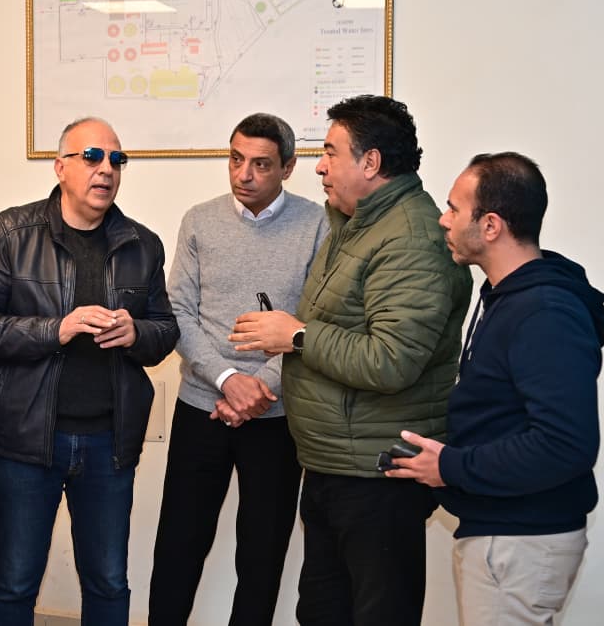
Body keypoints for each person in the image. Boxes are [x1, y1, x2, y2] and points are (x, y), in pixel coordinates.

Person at [228, 95, 472, 626]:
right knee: (322, 610)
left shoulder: (409, 239)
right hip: (337, 465)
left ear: (371, 162)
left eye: (330, 152)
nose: (319, 167)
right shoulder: (357, 222)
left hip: (377, 474)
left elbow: (391, 360)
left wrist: (296, 336)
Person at [0, 117, 179, 625]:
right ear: (60, 167)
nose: (107, 169)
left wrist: (137, 333)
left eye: (117, 160)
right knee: (14, 583)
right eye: (92, 157)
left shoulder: (142, 244)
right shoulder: (11, 233)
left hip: (109, 443)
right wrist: (56, 329)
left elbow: (166, 330)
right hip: (26, 442)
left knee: (109, 582)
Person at [387, 152, 603, 625]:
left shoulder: (544, 312)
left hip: (520, 541)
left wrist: (451, 466)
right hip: (506, 534)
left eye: (453, 209)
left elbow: (566, 444)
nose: (443, 220)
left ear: (490, 225)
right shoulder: (508, 296)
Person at [149, 113, 328, 626]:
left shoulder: (318, 225)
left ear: (288, 168)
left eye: (261, 164)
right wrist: (228, 381)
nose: (243, 174)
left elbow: (316, 322)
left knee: (262, 553)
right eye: (235, 159)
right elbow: (178, 313)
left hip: (276, 416)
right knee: (179, 544)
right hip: (201, 408)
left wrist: (259, 388)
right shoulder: (199, 221)